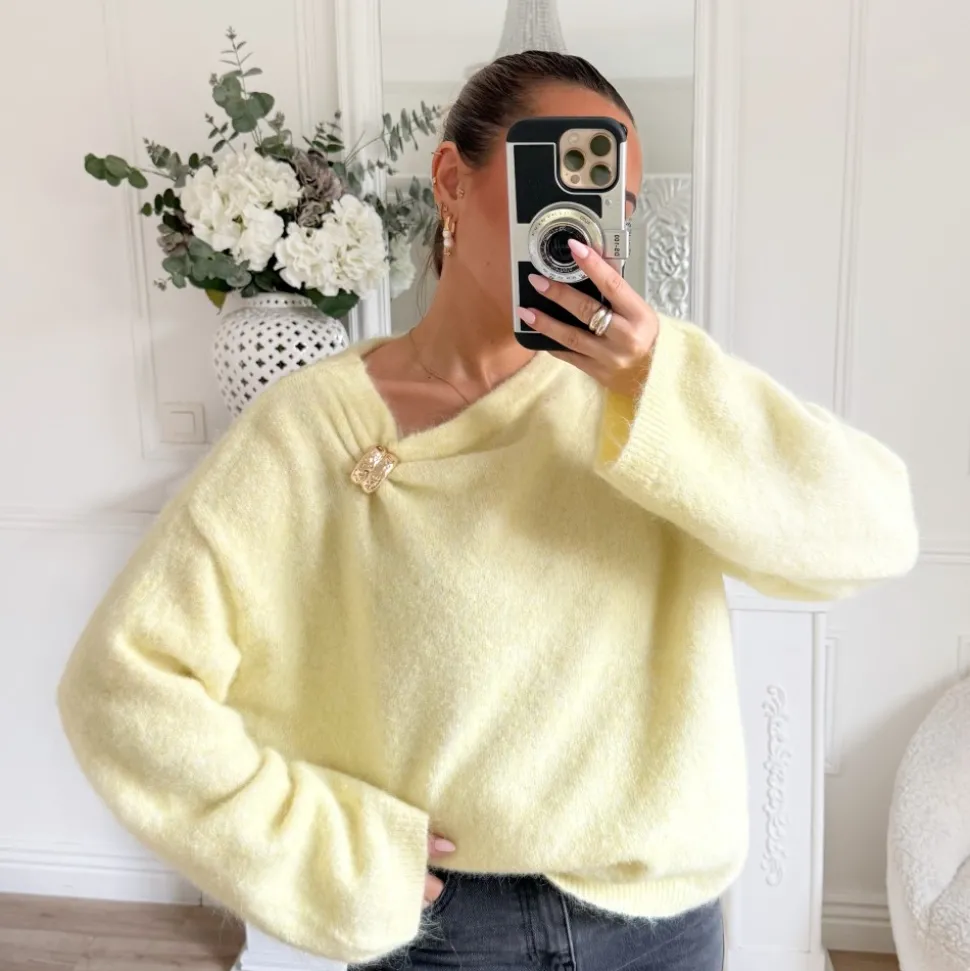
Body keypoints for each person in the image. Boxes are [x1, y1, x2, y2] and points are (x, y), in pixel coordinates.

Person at [57, 52, 919, 971]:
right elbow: (121, 684)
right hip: (444, 933)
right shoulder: (314, 425)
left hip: (661, 923)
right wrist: (323, 852)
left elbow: (874, 534)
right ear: (451, 181)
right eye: (554, 172)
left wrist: (652, 378)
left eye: (610, 205)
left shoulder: (658, 403)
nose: (578, 226)